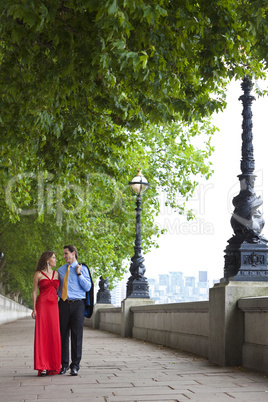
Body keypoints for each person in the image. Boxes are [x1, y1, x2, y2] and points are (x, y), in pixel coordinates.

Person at [57, 245, 92, 376]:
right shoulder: (60, 270)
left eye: (66, 253)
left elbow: (88, 287)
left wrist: (79, 274)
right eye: (64, 254)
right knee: (63, 335)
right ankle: (63, 365)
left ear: (73, 253)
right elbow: (57, 288)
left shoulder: (83, 269)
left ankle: (75, 365)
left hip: (78, 305)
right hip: (63, 304)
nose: (64, 256)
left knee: (77, 336)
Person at [32, 251, 61, 376]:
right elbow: (34, 292)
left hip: (54, 307)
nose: (55, 260)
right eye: (54, 258)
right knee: (42, 334)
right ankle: (42, 366)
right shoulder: (38, 274)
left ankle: (53, 365)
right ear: (47, 259)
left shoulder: (57, 274)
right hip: (42, 306)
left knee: (53, 334)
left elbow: (59, 291)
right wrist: (34, 309)